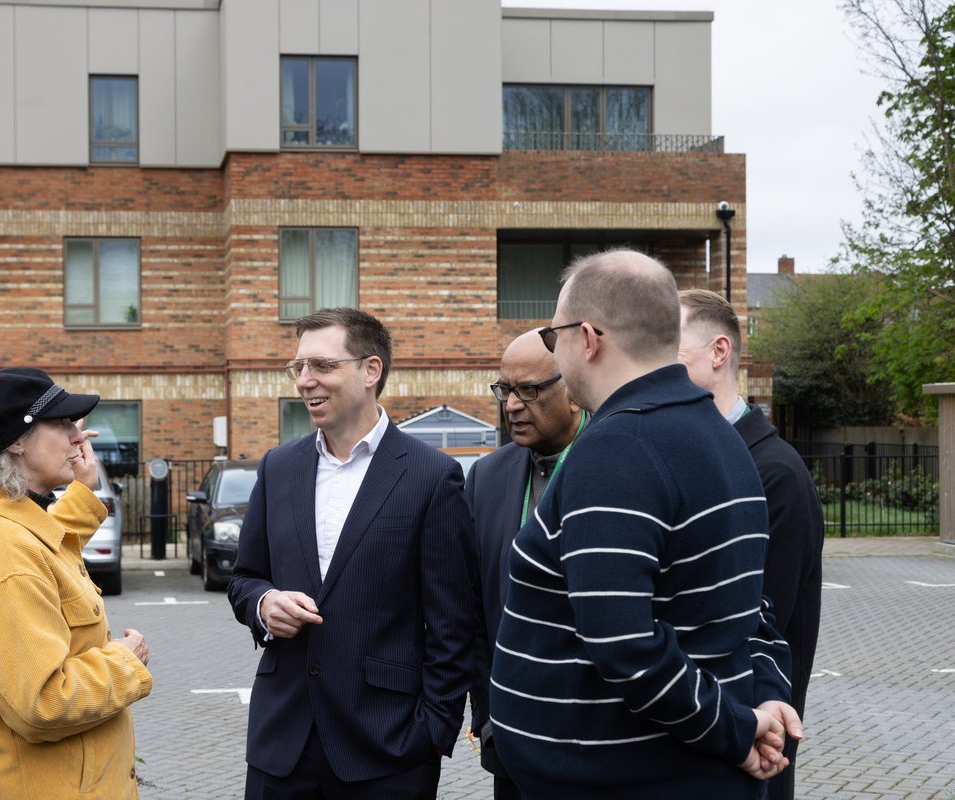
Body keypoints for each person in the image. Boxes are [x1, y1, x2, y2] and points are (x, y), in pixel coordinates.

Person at [490, 250, 802, 799]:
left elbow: (626, 646)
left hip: (626, 782)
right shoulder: (724, 438)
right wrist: (766, 697)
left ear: (587, 338)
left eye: (552, 336)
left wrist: (739, 730)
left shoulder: (615, 449)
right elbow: (749, 605)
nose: (554, 352)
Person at [228, 307, 477, 799]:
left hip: (388, 751)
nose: (305, 380)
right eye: (298, 367)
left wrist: (431, 733)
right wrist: (263, 603)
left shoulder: (431, 476)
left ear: (370, 370)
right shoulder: (278, 467)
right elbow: (244, 578)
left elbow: (453, 623)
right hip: (283, 745)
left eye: (321, 365)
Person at [0, 367, 153, 799]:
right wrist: (127, 663)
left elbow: (46, 552)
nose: (79, 437)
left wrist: (84, 492)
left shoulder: (9, 525)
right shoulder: (2, 550)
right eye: (62, 423)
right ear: (16, 441)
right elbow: (42, 705)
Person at [679, 288, 824, 800]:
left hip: (751, 745)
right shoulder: (700, 460)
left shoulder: (774, 474)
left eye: (670, 353)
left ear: (719, 353)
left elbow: (755, 628)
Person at [465, 328, 586, 799]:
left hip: (595, 743)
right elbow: (473, 608)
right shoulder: (486, 477)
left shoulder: (613, 465)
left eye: (529, 390)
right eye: (505, 390)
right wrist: (487, 716)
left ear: (573, 390)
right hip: (511, 740)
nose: (512, 405)